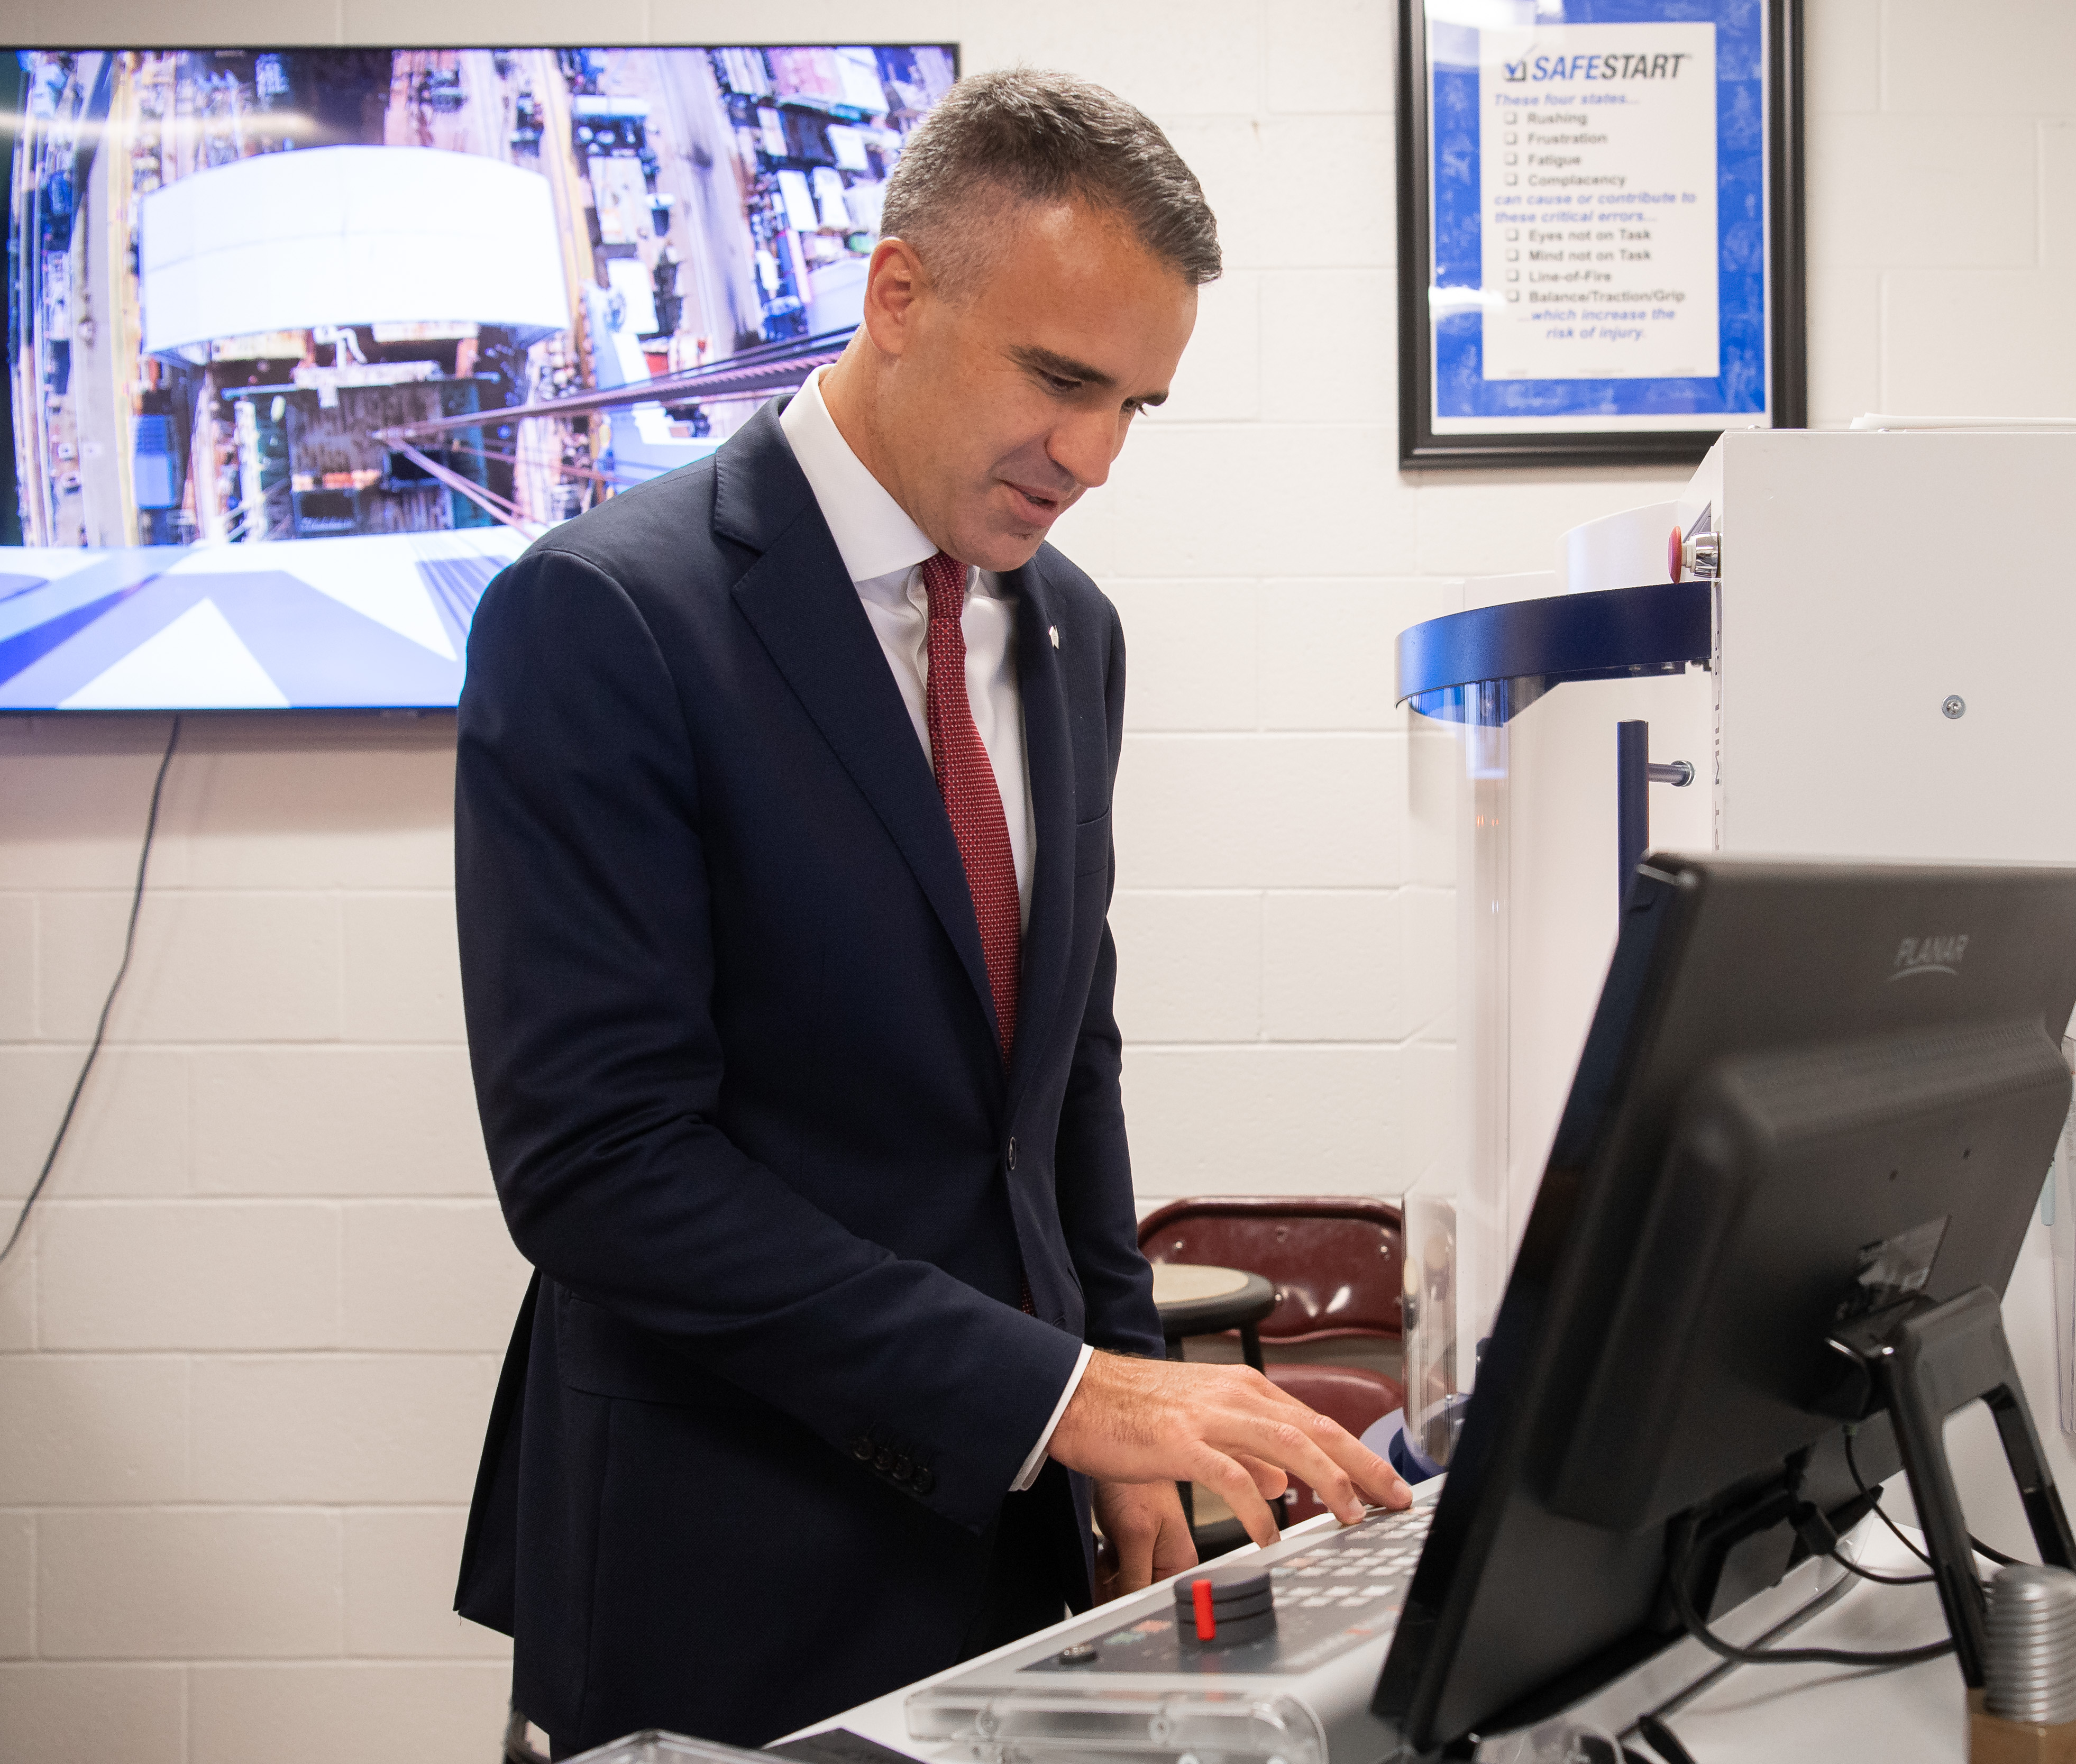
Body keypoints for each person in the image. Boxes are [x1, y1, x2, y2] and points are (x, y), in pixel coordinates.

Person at [451, 69, 1410, 1753]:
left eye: (1137, 405)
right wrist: (1066, 1394)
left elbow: (1065, 1084)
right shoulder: (607, 613)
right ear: (897, 294)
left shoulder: (1069, 634)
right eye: (1059, 381)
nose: (1095, 457)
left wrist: (1137, 1440)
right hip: (717, 1553)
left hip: (1011, 1533)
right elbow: (597, 1171)